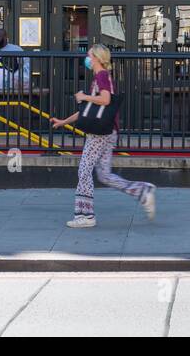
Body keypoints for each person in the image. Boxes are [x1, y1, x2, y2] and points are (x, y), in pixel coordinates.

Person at [52, 44, 156, 228]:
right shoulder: (101, 77)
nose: (86, 58)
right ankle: (142, 191)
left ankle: (86, 215)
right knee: (104, 175)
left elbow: (105, 99)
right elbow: (89, 111)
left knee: (84, 170)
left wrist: (84, 96)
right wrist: (63, 122)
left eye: (89, 55)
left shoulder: (101, 77)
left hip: (99, 133)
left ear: (97, 58)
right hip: (109, 130)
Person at [0, 27, 30, 92]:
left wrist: (19, 77)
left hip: (12, 91)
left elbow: (26, 66)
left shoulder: (16, 50)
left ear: (5, 38)